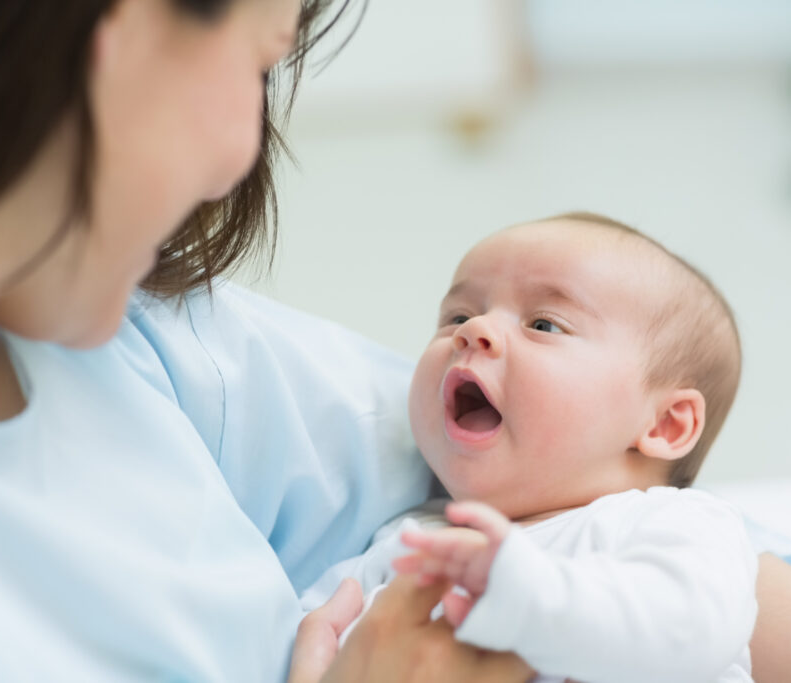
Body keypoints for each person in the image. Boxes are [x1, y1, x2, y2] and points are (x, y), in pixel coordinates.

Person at [0, 2, 791, 682]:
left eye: (544, 321)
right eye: (257, 66)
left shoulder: (142, 343)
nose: (242, 152)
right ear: (121, 39)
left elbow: (683, 554)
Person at [303, 213, 757, 682]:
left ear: (664, 424)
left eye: (544, 324)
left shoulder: (673, 523)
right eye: (457, 316)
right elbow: (305, 635)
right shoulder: (408, 540)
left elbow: (689, 629)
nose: (473, 329)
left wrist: (529, 601)